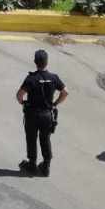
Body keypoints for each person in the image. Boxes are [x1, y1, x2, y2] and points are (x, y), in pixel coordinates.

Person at [17, 49, 67, 177]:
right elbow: (65, 92)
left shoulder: (31, 79)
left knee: (31, 138)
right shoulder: (54, 78)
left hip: (32, 115)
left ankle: (32, 164)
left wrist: (23, 103)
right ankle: (46, 166)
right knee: (45, 139)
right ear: (47, 62)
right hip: (46, 116)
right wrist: (55, 104)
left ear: (35, 62)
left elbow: (19, 95)